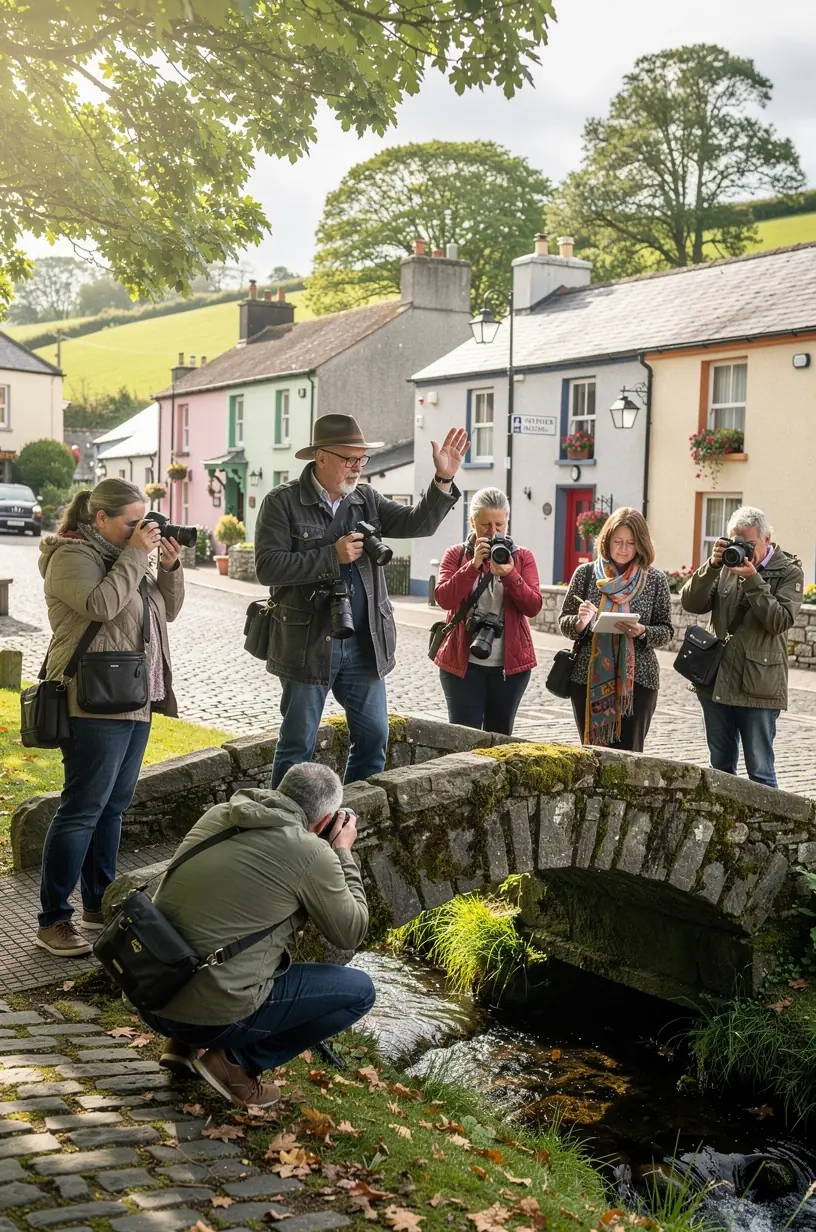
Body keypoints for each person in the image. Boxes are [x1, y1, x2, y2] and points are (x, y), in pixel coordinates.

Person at [141, 762, 374, 1109]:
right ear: (325, 822)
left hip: (151, 995)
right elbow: (351, 931)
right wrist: (342, 852)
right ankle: (237, 1063)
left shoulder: (220, 814)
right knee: (359, 992)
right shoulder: (313, 853)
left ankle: (183, 1047)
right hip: (205, 1015)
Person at [255, 413, 468, 787]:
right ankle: (280, 832)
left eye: (361, 459)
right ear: (320, 457)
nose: (356, 467)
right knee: (296, 746)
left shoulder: (366, 498)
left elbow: (417, 523)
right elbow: (268, 568)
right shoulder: (283, 502)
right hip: (306, 642)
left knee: (373, 739)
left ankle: (348, 823)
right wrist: (330, 556)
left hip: (363, 642)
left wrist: (443, 480)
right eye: (348, 459)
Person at [36, 479, 185, 957]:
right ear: (100, 519)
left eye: (144, 521)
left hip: (135, 695)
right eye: (131, 524)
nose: (140, 530)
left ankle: (98, 904)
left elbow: (166, 612)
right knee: (82, 808)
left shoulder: (130, 557)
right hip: (90, 699)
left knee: (114, 807)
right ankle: (53, 918)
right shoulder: (71, 556)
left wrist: (171, 566)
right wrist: (136, 556)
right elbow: (101, 605)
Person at [680, 505, 803, 789]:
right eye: (736, 542)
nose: (742, 550)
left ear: (767, 540)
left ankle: (765, 831)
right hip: (716, 684)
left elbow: (780, 621)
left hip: (758, 687)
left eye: (749, 544)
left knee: (760, 772)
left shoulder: (789, 572)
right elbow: (691, 603)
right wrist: (710, 566)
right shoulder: (724, 566)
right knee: (719, 768)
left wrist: (752, 580)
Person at [558, 507, 672, 751]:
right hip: (587, 680)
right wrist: (580, 623)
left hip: (638, 684)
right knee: (591, 755)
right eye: (618, 541)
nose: (623, 548)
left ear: (641, 544)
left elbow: (667, 630)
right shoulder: (586, 574)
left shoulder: (655, 579)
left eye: (631, 542)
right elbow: (564, 621)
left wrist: (643, 631)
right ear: (606, 541)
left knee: (630, 757)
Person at [433, 488, 542, 736]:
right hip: (462, 663)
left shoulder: (522, 557)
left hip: (509, 667)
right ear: (472, 522)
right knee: (463, 737)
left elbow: (533, 606)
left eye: (499, 525)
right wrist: (472, 567)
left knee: (500, 738)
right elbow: (443, 598)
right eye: (485, 525)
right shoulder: (456, 554)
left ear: (507, 522)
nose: (493, 533)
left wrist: (511, 575)